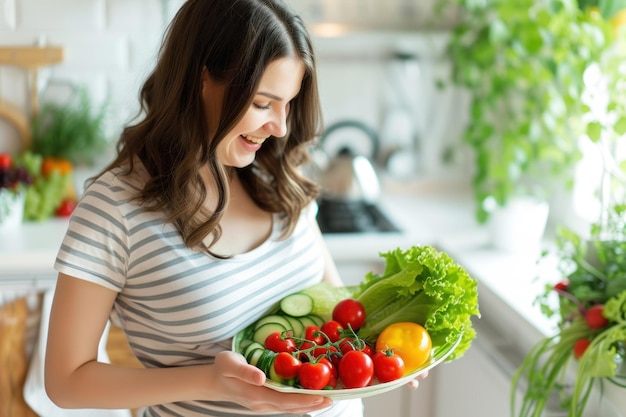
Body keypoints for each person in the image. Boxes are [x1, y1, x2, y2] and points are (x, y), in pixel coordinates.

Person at [44, 1, 423, 416]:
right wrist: (209, 380)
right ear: (202, 78)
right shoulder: (115, 209)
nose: (279, 126)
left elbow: (337, 311)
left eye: (288, 103)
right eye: (263, 104)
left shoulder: (274, 176)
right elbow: (66, 381)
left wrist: (389, 347)